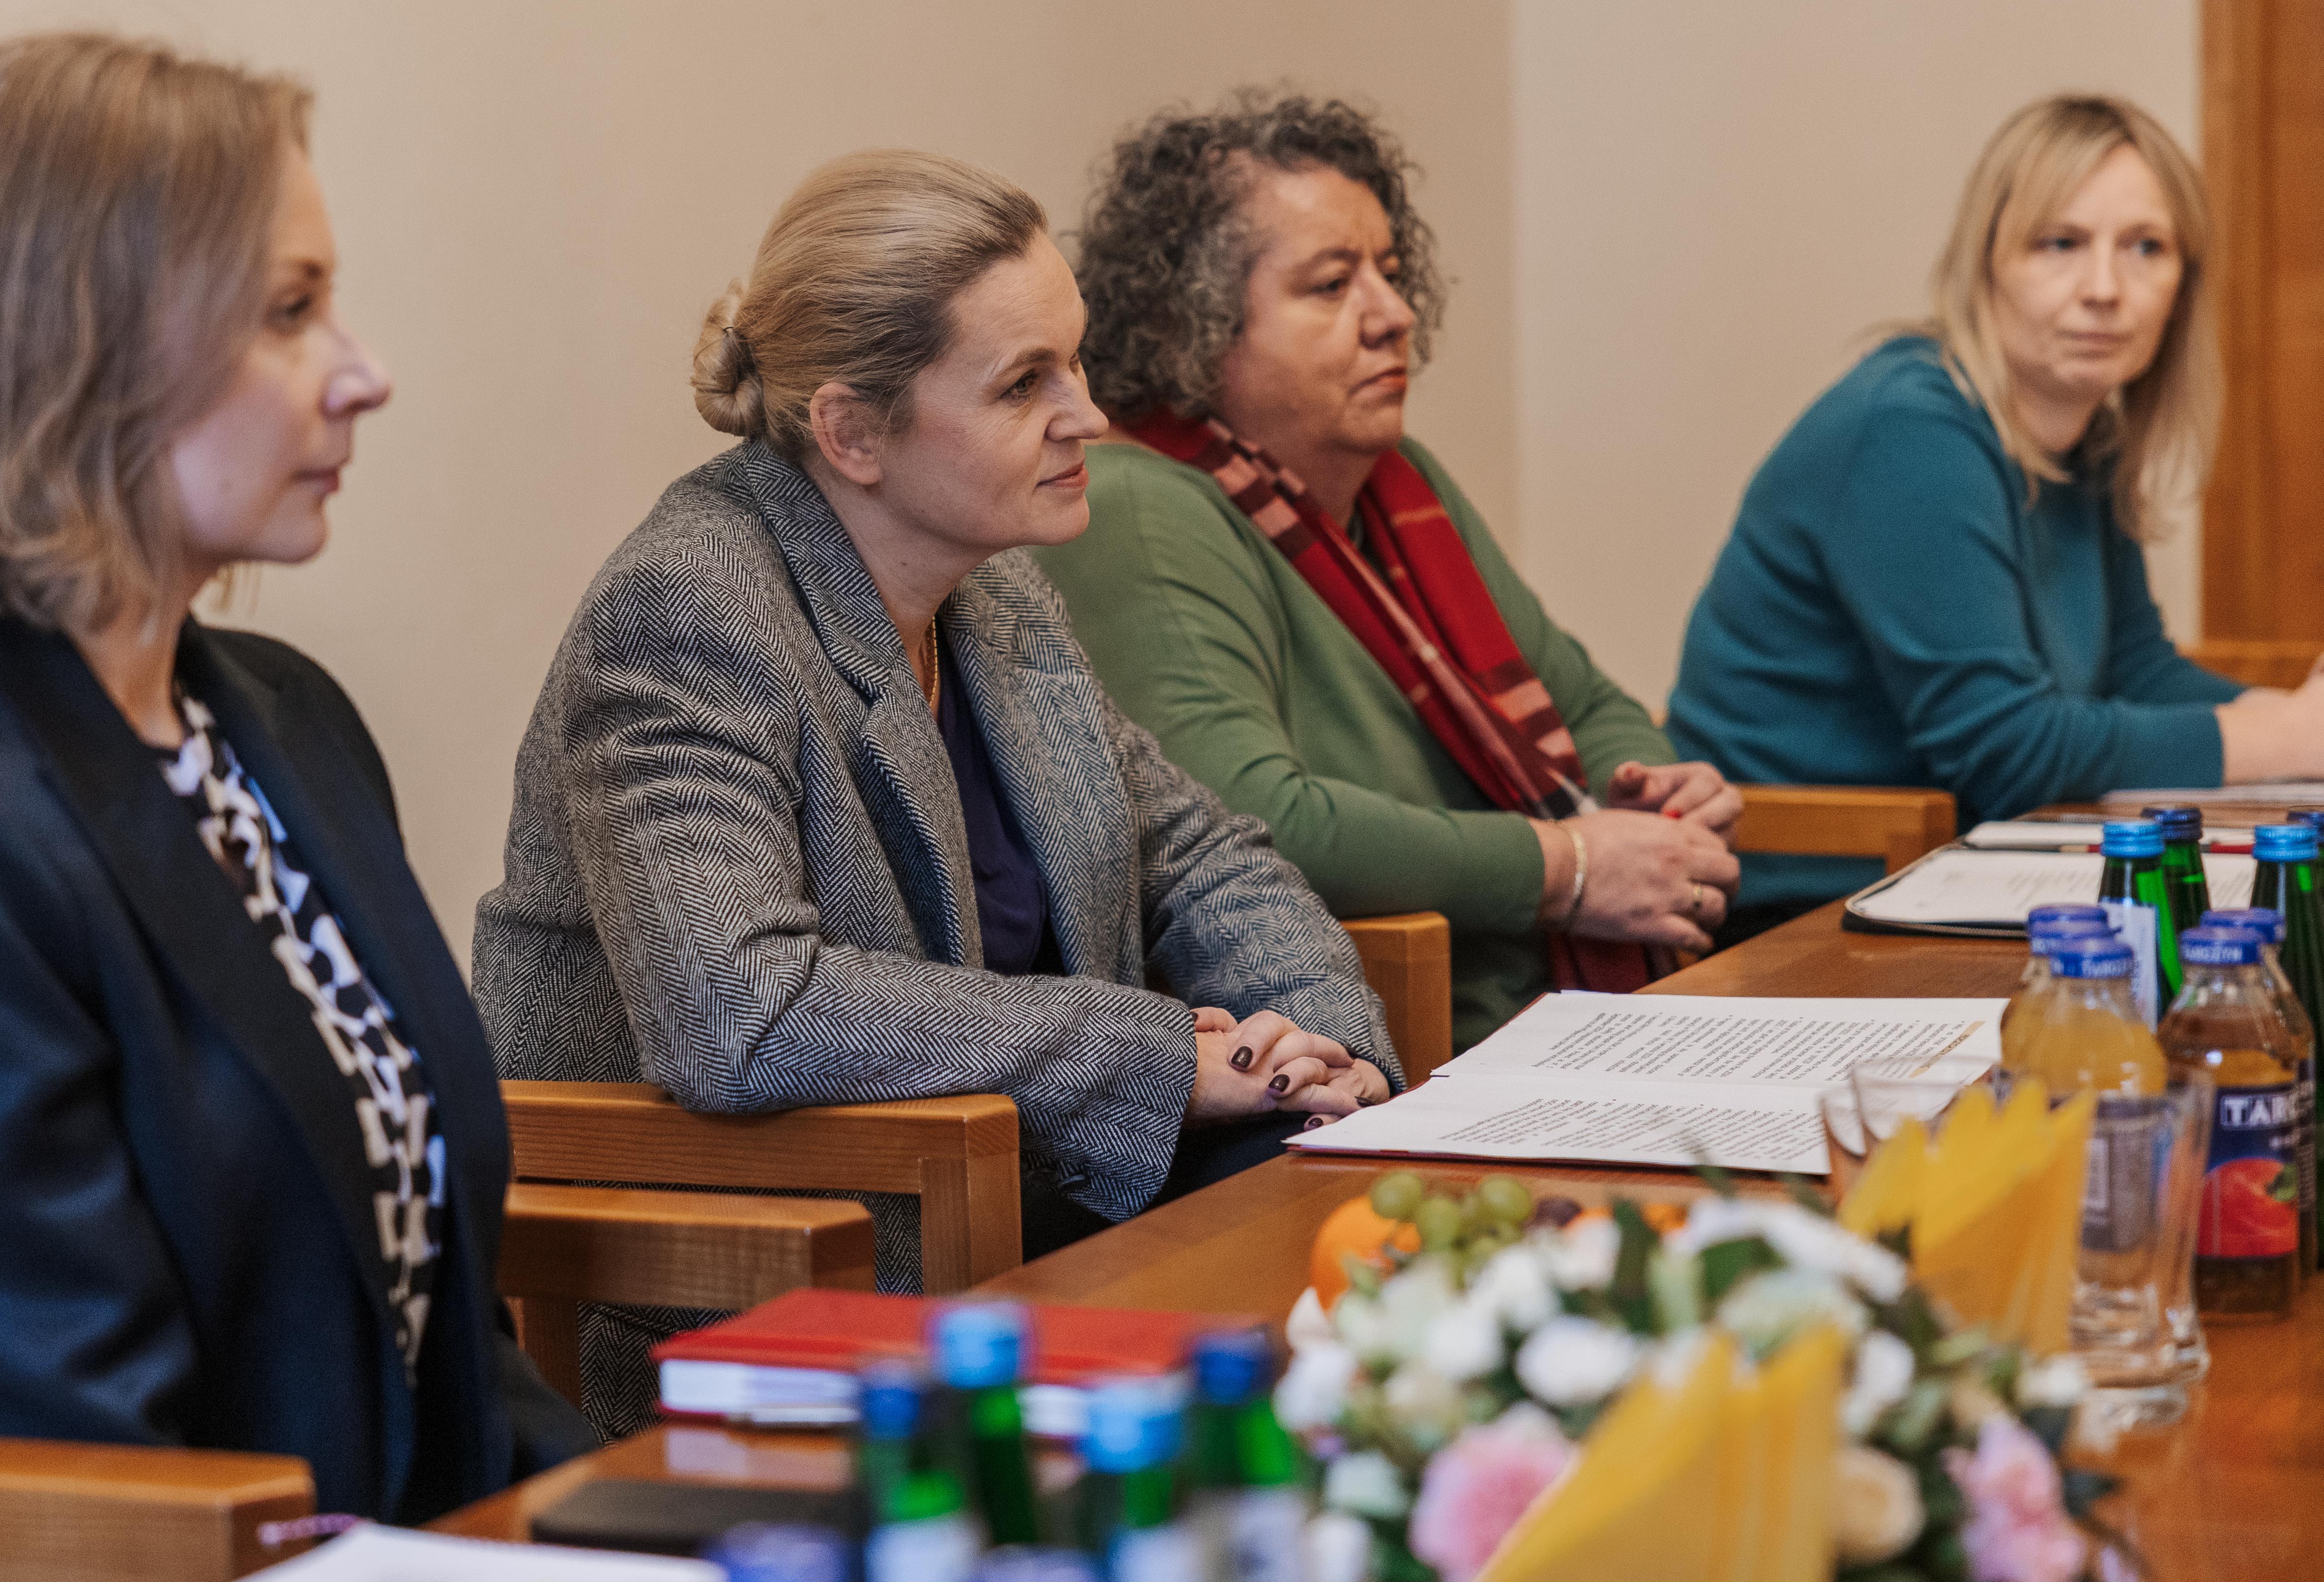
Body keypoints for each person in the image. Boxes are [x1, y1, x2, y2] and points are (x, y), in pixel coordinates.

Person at [0, 32, 591, 1523]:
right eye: (289, 312)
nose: (365, 373)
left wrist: (643, 1534)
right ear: (81, 353)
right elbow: (74, 1480)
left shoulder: (284, 720)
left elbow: (431, 1342)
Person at [475, 150, 1400, 1303]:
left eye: (1075, 359)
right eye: (1023, 386)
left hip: (1010, 1202)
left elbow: (1199, 857)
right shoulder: (689, 607)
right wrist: (1161, 1056)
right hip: (782, 1274)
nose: (1089, 415)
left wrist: (1322, 1053)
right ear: (854, 433)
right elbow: (741, 1009)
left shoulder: (994, 585)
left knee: (1338, 1197)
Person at [1034, 93, 1740, 1049]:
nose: (1395, 315)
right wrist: (1568, 866)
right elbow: (1254, 819)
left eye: (1393, 274)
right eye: (1332, 286)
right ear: (1190, 325)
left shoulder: (1399, 481)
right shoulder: (1139, 503)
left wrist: (1653, 799)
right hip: (1415, 1035)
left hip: (1566, 1009)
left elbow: (1587, 703)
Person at [1667, 93, 2324, 931]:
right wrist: (2287, 738)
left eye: (2145, 248)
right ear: (1987, 264)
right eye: (2060, 243)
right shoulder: (1909, 429)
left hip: (1950, 870)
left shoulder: (2084, 438)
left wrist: (2289, 718)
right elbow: (2008, 751)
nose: (2104, 289)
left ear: (2183, 284)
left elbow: (2137, 674)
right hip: (1803, 902)